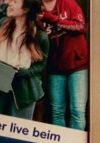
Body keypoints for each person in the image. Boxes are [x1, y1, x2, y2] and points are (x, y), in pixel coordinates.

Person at [0, 0, 47, 120]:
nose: (9, 3)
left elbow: (41, 65)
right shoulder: (2, 24)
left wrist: (23, 72)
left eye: (15, 1)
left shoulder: (39, 35)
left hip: (24, 89)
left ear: (26, 9)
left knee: (19, 131)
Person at [37, 0, 87, 129]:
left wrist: (53, 19)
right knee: (57, 111)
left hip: (77, 64)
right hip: (55, 67)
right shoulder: (37, 9)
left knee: (77, 110)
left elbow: (80, 26)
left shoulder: (68, 3)